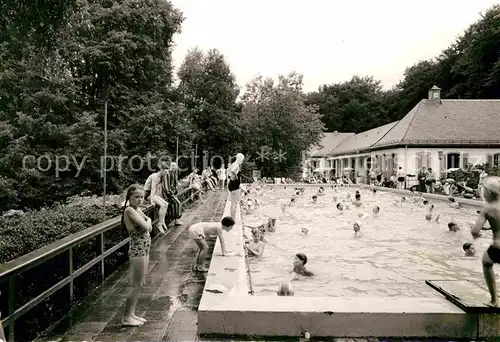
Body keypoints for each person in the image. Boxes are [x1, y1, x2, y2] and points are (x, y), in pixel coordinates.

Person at [121, 184, 152, 326]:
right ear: (129, 198)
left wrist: (148, 221)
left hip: (144, 248)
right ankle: (126, 317)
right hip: (137, 250)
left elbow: (148, 225)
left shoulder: (137, 209)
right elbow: (147, 227)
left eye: (141, 197)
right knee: (136, 284)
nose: (140, 200)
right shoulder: (129, 210)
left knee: (141, 283)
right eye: (136, 197)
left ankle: (132, 314)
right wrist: (148, 221)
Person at [471, 177, 500, 307]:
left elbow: (475, 231)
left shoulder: (487, 208)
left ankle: (494, 300)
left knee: (486, 262)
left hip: (497, 247)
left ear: (487, 192)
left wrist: (478, 234)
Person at [144, 162, 169, 233]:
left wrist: (159, 198)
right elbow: (153, 189)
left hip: (153, 195)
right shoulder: (155, 176)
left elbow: (158, 189)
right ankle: (159, 223)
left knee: (166, 204)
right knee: (162, 205)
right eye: (165, 171)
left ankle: (162, 221)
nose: (166, 173)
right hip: (148, 195)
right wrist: (152, 201)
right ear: (161, 170)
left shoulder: (160, 177)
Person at [164, 162, 183, 226]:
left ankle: (176, 219)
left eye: (175, 166)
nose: (173, 167)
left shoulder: (175, 174)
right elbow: (166, 186)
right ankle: (176, 219)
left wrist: (175, 189)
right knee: (177, 203)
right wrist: (169, 192)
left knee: (177, 203)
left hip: (173, 192)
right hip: (167, 193)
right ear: (170, 166)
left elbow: (175, 184)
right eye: (172, 166)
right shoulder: (167, 173)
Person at [228, 153, 245, 219]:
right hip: (235, 185)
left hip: (232, 184)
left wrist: (233, 176)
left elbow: (229, 172)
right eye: (242, 160)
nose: (242, 161)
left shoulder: (233, 164)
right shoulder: (236, 164)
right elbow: (232, 171)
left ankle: (232, 218)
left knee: (232, 203)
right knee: (235, 203)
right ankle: (233, 219)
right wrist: (236, 176)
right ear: (240, 158)